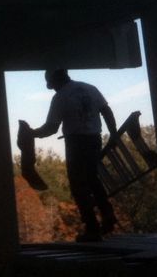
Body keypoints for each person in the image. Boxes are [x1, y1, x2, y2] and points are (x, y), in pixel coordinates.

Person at [22, 68, 118, 242]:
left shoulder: (60, 97)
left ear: (53, 81)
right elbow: (106, 111)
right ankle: (108, 214)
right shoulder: (90, 88)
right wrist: (114, 134)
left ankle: (92, 229)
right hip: (94, 139)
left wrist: (32, 134)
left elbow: (51, 128)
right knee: (92, 178)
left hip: (76, 142)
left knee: (78, 186)